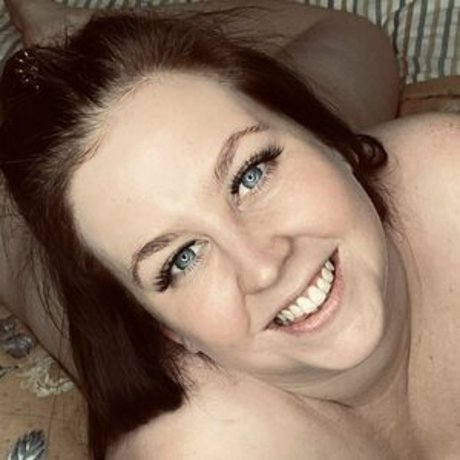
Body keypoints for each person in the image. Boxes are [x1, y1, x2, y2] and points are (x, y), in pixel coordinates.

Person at [0, 2, 459, 460]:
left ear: (326, 140)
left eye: (250, 175)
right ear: (164, 326)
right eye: (182, 259)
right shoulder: (203, 447)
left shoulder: (446, 174)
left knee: (357, 42)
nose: (263, 268)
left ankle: (67, 32)